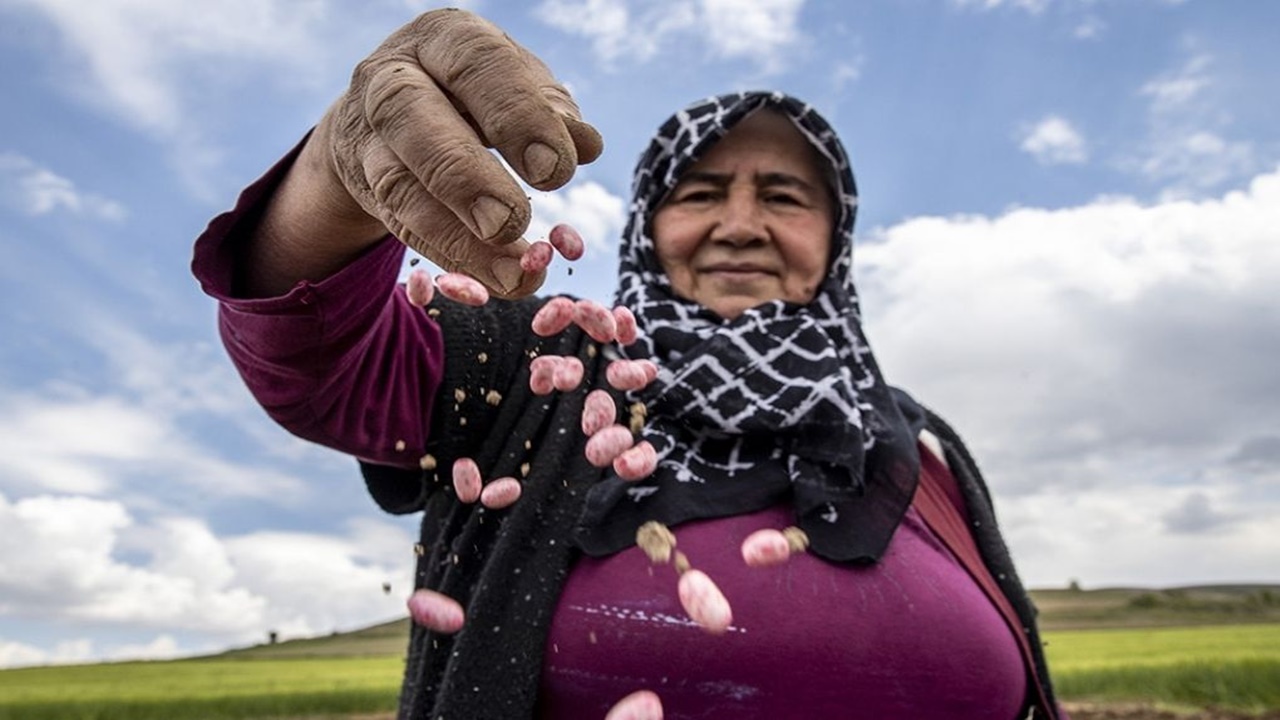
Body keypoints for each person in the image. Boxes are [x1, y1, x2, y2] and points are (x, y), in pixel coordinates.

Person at [193, 8, 1066, 719]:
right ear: (647, 229)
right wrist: (341, 173)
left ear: (835, 242)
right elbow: (314, 360)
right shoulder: (542, 367)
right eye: (699, 195)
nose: (740, 223)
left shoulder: (917, 447)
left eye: (785, 197)